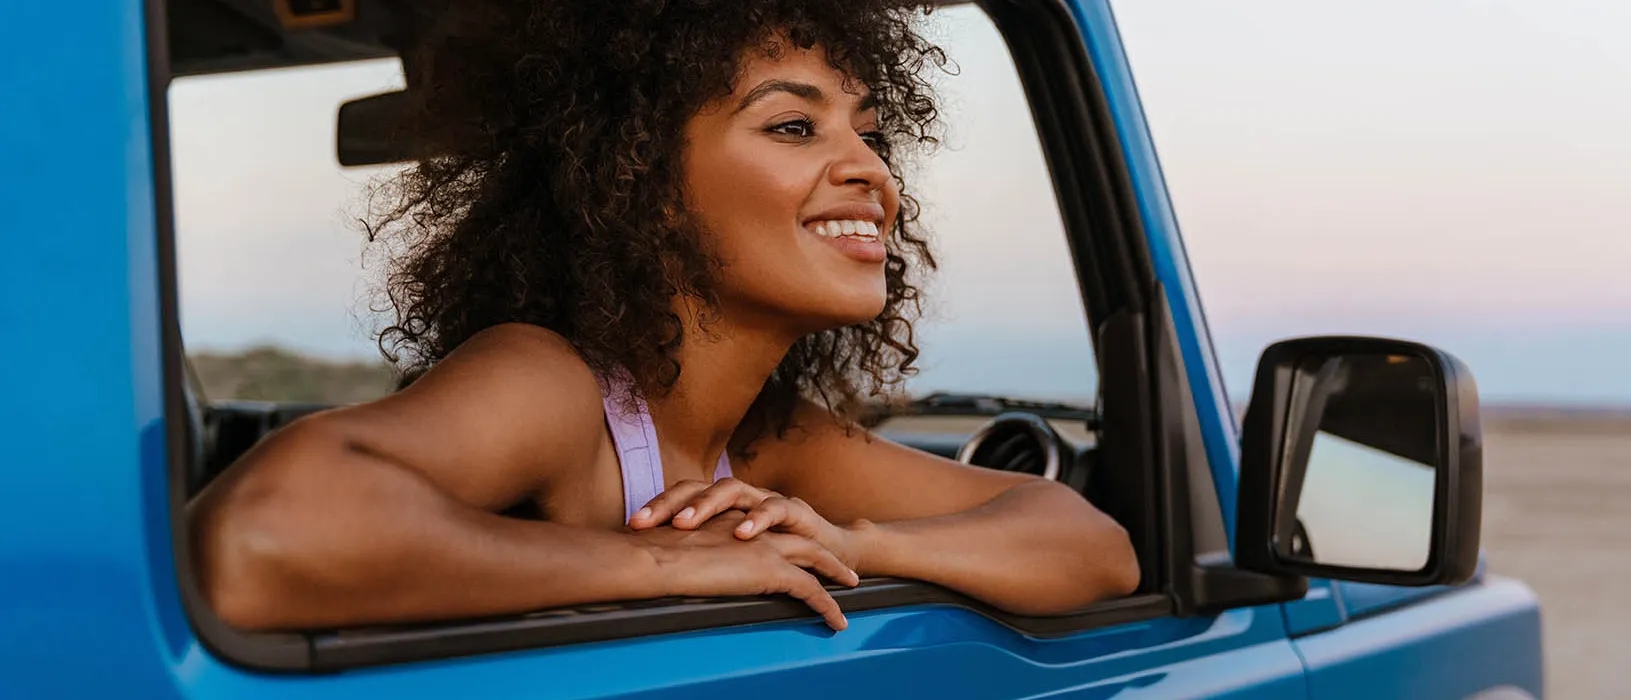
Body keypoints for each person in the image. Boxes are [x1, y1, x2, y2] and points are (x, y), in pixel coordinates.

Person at [186, 0, 1139, 633]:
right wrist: (655, 567)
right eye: (794, 126)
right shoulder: (552, 382)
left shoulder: (769, 445)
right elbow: (263, 534)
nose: (874, 173)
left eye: (871, 131)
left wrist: (856, 545)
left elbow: (1095, 548)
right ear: (640, 183)